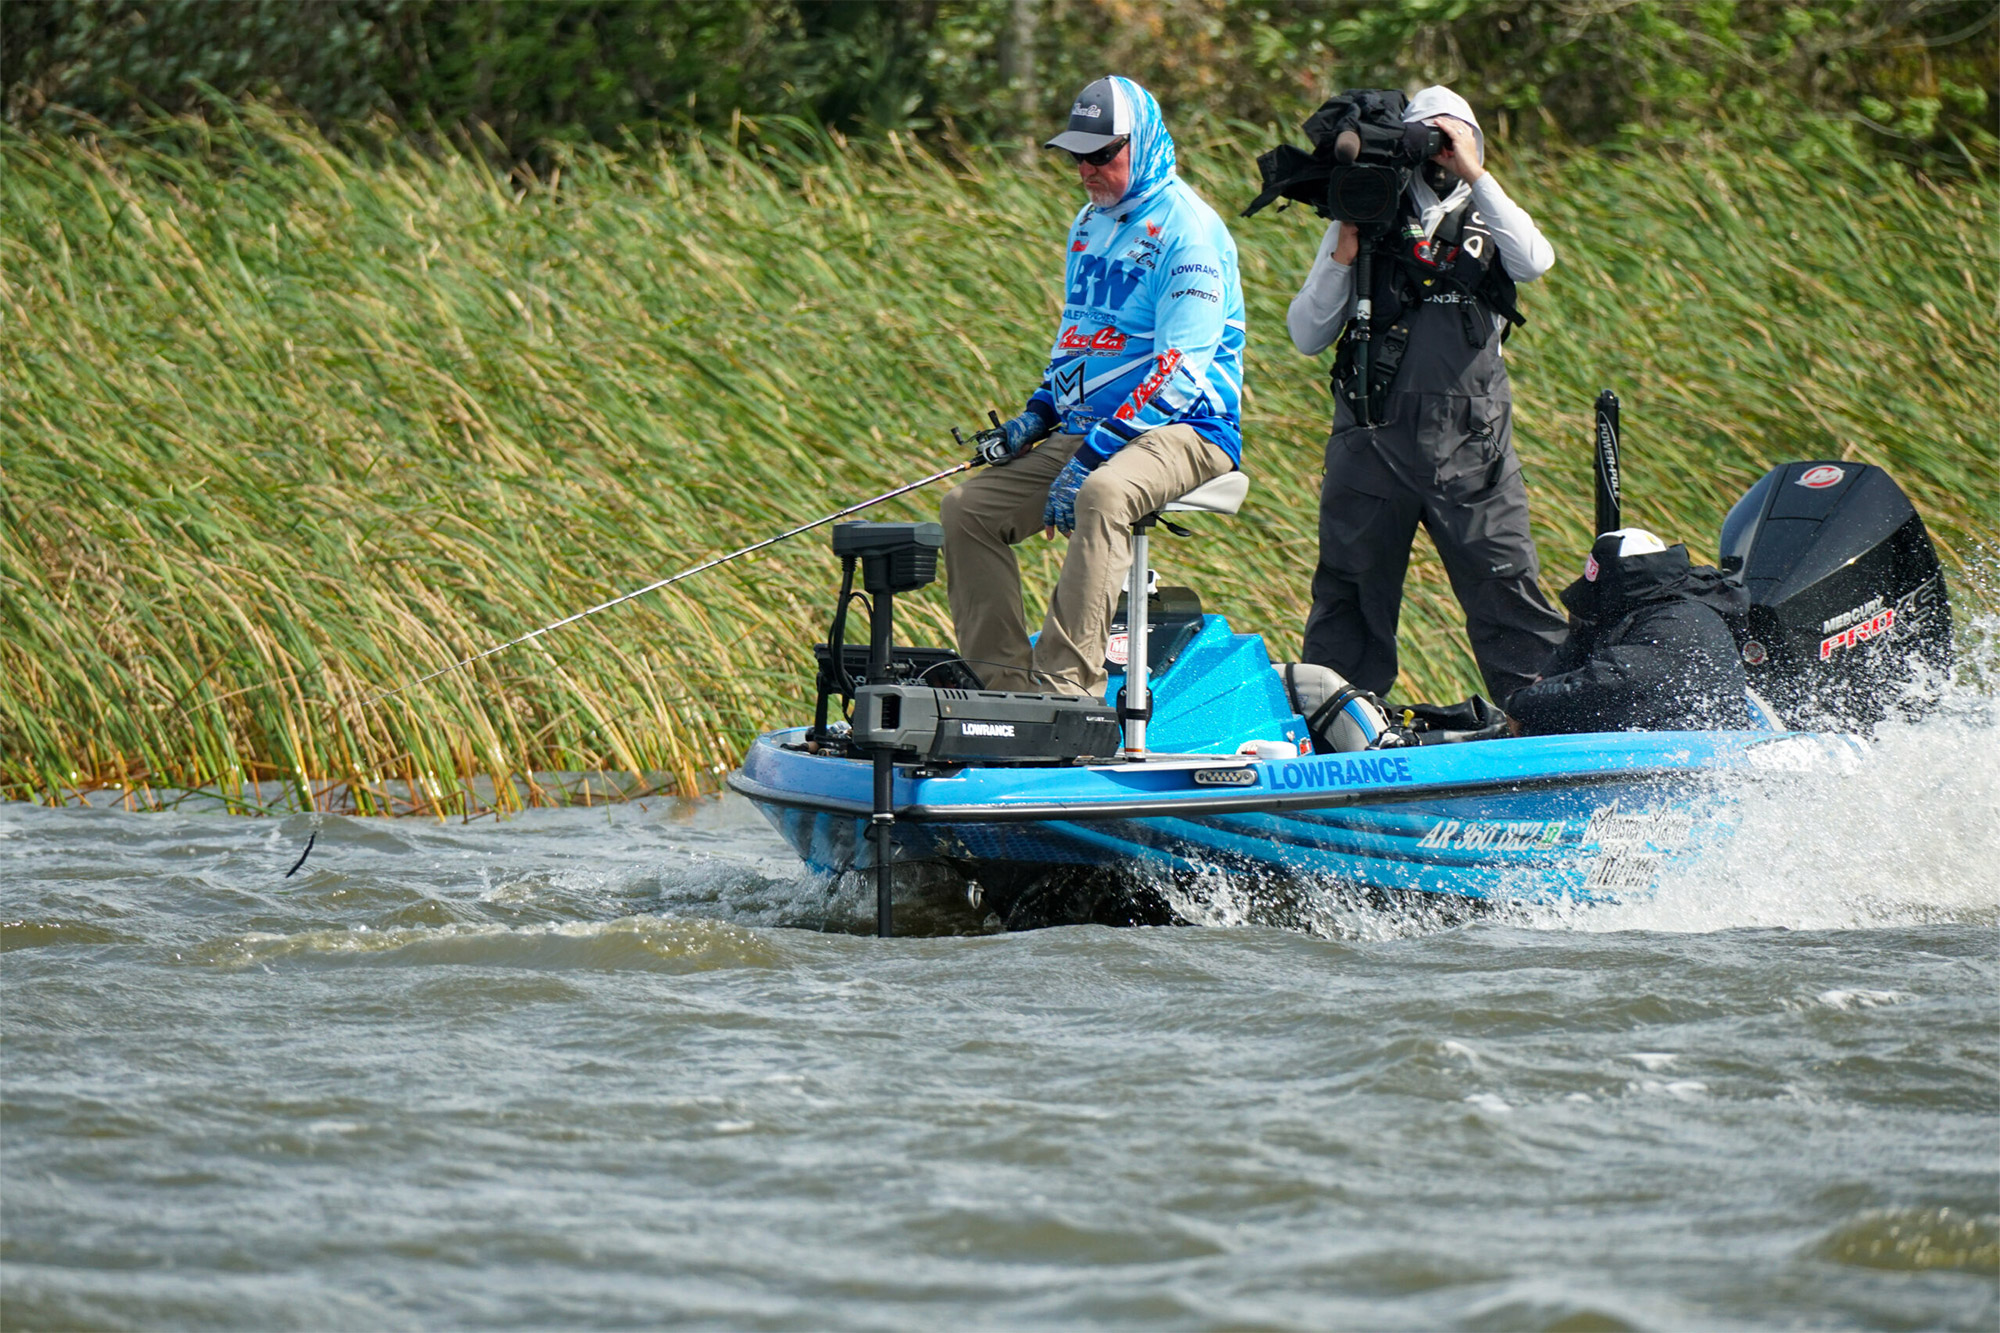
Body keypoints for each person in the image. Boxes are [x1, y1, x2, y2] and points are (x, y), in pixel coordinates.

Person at [939, 76, 1245, 698]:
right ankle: (1001, 691)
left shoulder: (1188, 232)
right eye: (1077, 154)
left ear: (1148, 143)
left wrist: (1092, 456)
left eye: (1102, 154)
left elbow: (1180, 371)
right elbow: (1077, 341)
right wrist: (1036, 414)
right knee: (968, 510)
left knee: (1103, 495)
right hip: (1091, 432)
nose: (1086, 169)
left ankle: (1062, 692)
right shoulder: (1089, 223)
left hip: (1189, 428)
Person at [1288, 85, 1565, 707]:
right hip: (1371, 441)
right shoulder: (1367, 207)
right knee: (1349, 600)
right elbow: (1307, 333)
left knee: (1507, 587)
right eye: (1427, 139)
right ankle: (1338, 734)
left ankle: (1550, 725)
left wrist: (1475, 171)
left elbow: (1534, 261)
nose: (1437, 151)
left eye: (1452, 136)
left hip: (1474, 447)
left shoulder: (1489, 213)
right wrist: (1344, 248)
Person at [1508, 529, 1751, 734]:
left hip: (1694, 749)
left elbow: (1609, 681)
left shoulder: (1678, 620)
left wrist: (1522, 703)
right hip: (1659, 741)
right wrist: (1541, 689)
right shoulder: (1642, 613)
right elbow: (1577, 655)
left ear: (1618, 587)